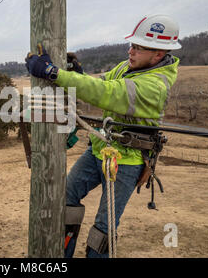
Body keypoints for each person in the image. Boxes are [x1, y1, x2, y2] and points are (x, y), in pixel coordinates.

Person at [25, 14, 182, 258]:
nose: (131, 51)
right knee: (66, 197)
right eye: (132, 45)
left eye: (139, 48)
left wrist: (51, 72)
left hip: (127, 161)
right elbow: (100, 83)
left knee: (104, 225)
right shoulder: (127, 66)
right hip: (100, 148)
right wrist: (79, 74)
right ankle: (60, 256)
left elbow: (106, 93)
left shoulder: (155, 86)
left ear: (158, 54)